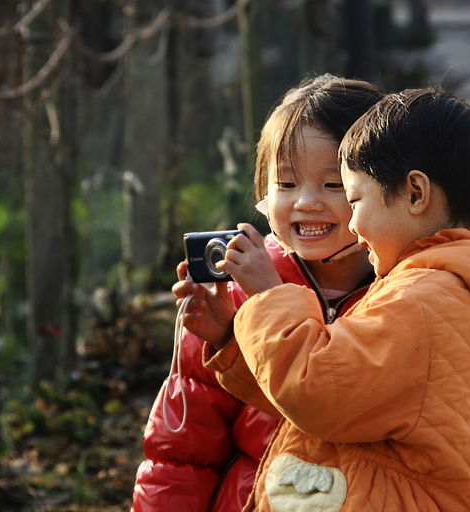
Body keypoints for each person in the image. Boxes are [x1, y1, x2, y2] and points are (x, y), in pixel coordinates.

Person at [215, 88, 470, 511]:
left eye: (354, 198)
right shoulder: (436, 286)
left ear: (416, 194)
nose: (354, 221)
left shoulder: (422, 300)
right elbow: (356, 402)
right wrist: (227, 341)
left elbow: (319, 392)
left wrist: (269, 295)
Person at [132, 74, 384, 512]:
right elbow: (180, 455)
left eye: (333, 185)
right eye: (285, 184)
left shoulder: (413, 293)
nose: (305, 202)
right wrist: (229, 334)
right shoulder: (234, 296)